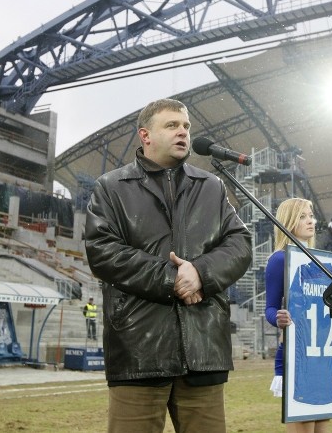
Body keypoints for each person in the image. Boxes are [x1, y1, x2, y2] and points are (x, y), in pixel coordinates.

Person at [85, 98, 252, 433]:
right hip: (139, 350)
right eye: (172, 125)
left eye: (187, 126)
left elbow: (240, 244)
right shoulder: (111, 187)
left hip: (203, 348)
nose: (183, 132)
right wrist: (172, 277)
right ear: (145, 135)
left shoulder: (212, 186)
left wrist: (201, 273)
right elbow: (102, 250)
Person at [264, 198, 329, 433]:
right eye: (302, 216)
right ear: (288, 221)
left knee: (322, 426)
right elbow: (270, 308)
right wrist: (279, 318)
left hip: (323, 356)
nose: (310, 220)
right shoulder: (280, 259)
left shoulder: (323, 261)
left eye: (311, 215)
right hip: (297, 354)